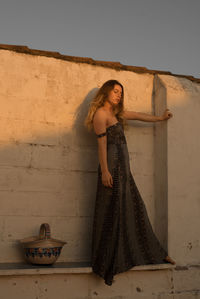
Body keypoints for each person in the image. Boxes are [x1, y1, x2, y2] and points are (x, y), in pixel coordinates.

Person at [84, 79, 176, 286]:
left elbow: (139, 116)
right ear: (106, 91)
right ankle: (107, 261)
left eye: (120, 93)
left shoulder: (116, 114)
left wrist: (160, 118)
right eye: (115, 91)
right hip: (112, 170)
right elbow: (101, 146)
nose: (118, 95)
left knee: (132, 208)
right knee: (111, 212)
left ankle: (151, 253)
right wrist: (105, 171)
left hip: (124, 170)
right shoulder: (100, 114)